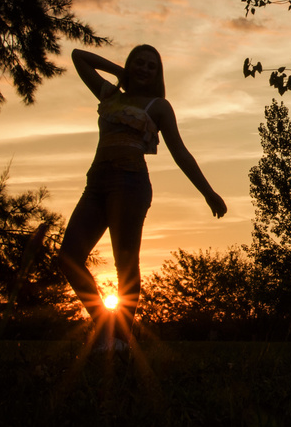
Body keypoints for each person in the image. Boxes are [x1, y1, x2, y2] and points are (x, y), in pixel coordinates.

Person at [59, 45, 227, 352]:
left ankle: (119, 341)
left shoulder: (158, 105)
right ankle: (106, 324)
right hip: (96, 183)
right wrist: (119, 72)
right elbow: (77, 57)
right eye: (139, 63)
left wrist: (208, 191)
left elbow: (180, 152)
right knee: (69, 255)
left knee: (126, 262)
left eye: (151, 66)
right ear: (129, 65)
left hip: (130, 182)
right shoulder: (110, 95)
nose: (144, 69)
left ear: (158, 74)